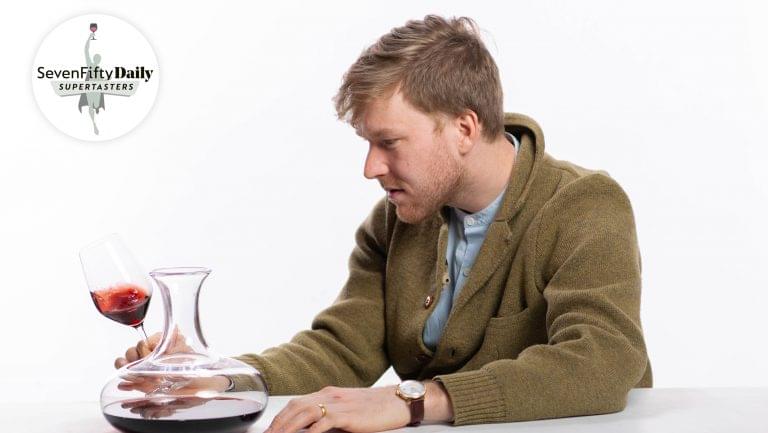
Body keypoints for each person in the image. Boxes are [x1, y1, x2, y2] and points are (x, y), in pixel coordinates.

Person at [116, 15, 652, 433]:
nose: (370, 167)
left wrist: (410, 402)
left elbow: (602, 360)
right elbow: (342, 350)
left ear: (464, 128)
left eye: (389, 142)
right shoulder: (396, 220)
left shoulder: (585, 207)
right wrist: (220, 378)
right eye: (368, 144)